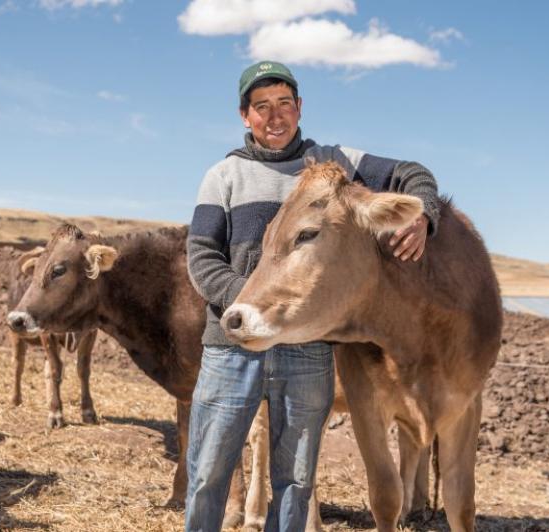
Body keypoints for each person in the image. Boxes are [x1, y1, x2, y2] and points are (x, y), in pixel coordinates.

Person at [184, 60, 441, 532]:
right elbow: (200, 256)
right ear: (245, 116)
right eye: (262, 107)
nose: (275, 116)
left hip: (307, 352)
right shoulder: (222, 175)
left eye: (285, 104)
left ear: (299, 108)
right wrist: (257, 304)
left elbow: (412, 173)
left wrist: (425, 217)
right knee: (207, 473)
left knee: (297, 479)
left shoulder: (335, 163)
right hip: (232, 346)